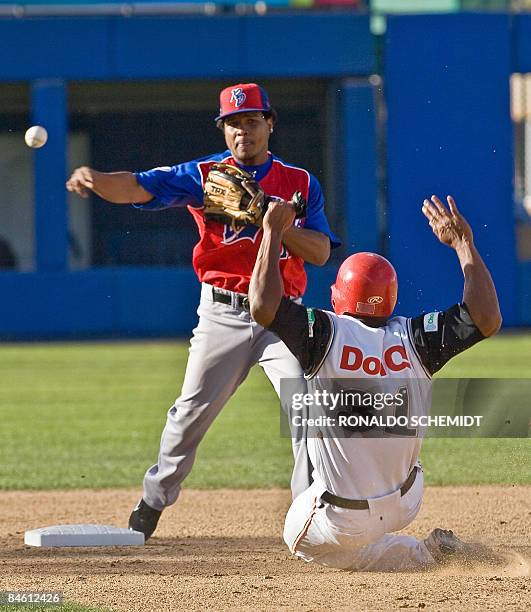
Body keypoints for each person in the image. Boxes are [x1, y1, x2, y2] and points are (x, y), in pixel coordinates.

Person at [66, 82, 340, 539]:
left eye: (251, 121)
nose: (242, 132)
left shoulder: (299, 182)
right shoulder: (206, 175)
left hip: (281, 316)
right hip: (222, 313)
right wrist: (95, 179)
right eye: (233, 123)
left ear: (269, 124)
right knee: (189, 413)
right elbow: (136, 185)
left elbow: (318, 252)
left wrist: (269, 219)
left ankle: (306, 516)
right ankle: (153, 501)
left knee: (308, 408)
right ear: (223, 129)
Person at [249, 194, 501, 571]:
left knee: (299, 538)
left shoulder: (323, 333)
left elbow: (261, 305)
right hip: (406, 501)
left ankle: (418, 555)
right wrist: (464, 244)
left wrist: (271, 231)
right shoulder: (417, 337)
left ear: (338, 298)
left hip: (343, 517)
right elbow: (486, 318)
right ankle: (421, 550)